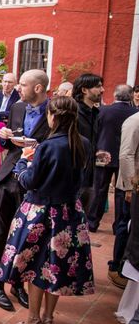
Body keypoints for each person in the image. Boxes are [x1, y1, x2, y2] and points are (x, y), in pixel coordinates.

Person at [0, 96, 94, 324]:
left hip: (41, 212)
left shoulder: (48, 146)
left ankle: (32, 319)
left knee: (36, 268)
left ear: (53, 117)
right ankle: (48, 319)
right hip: (70, 214)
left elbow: (30, 181)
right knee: (57, 268)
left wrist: (22, 163)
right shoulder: (84, 143)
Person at [0, 69, 51, 312]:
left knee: (26, 236)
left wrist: (33, 145)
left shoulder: (53, 113)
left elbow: (54, 145)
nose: (18, 88)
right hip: (6, 178)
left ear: (38, 88)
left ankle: (17, 285)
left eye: (22, 84)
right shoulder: (17, 108)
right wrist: (4, 136)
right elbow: (7, 143)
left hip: (33, 182)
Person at [88, 86, 137, 285]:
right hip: (126, 158)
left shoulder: (104, 111)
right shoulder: (135, 113)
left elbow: (97, 131)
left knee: (99, 190)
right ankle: (118, 226)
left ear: (115, 96)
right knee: (120, 193)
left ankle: (93, 221)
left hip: (104, 154)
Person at [111, 111, 139, 324]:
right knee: (122, 226)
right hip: (132, 188)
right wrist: (131, 186)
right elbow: (127, 155)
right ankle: (116, 264)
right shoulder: (135, 121)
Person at [72, 73, 104, 230]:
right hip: (74, 174)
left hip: (89, 174)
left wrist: (96, 151)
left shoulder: (95, 113)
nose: (102, 89)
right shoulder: (74, 112)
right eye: (98, 86)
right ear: (84, 90)